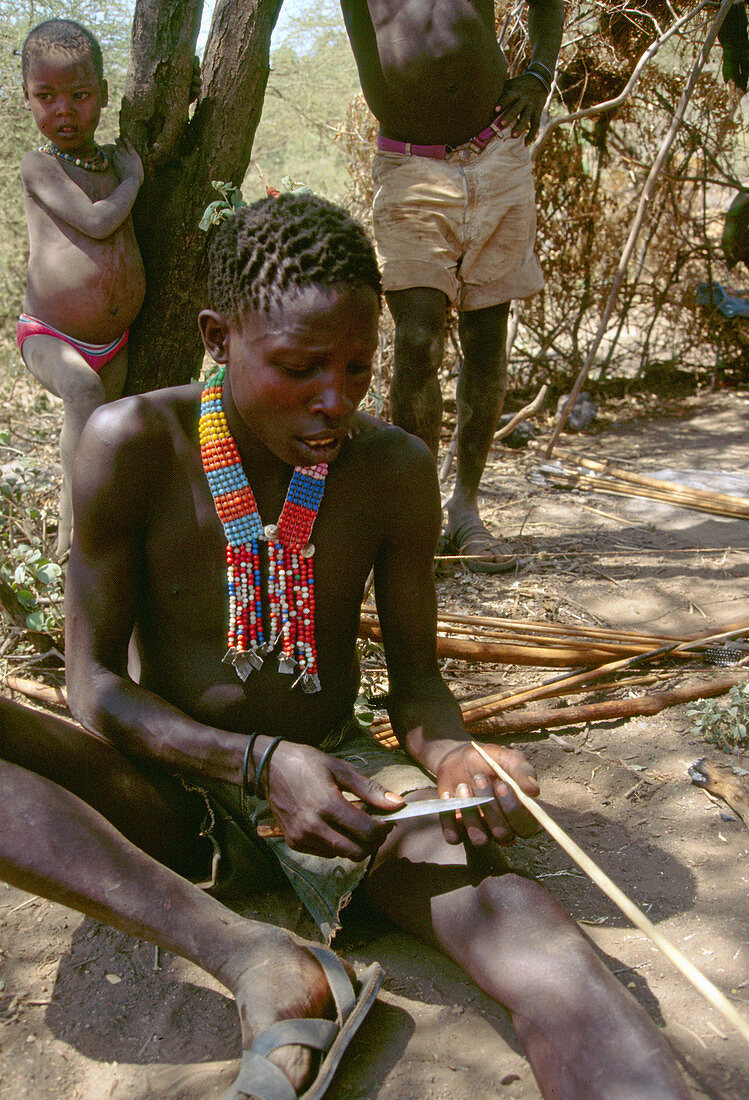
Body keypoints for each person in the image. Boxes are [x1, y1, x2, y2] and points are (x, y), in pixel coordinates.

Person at [4, 193, 688, 1099]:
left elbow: (418, 691)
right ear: (218, 339)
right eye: (299, 367)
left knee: (517, 918)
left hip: (345, 788)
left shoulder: (392, 469)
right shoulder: (131, 442)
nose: (335, 400)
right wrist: (253, 760)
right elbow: (93, 688)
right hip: (166, 787)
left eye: (359, 369)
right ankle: (252, 955)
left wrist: (459, 762)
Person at [340, 0, 564, 572]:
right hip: (411, 167)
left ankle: (466, 509)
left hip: (497, 152)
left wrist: (539, 73)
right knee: (418, 341)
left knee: (488, 337)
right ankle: (416, 517)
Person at [18, 18, 146, 557]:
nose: (63, 110)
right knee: (84, 393)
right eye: (46, 97)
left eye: (79, 95)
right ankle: (72, 538)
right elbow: (96, 222)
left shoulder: (111, 160)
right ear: (27, 99)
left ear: (104, 96)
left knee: (109, 433)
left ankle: (109, 528)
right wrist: (135, 180)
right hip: (50, 334)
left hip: (112, 342)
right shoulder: (39, 167)